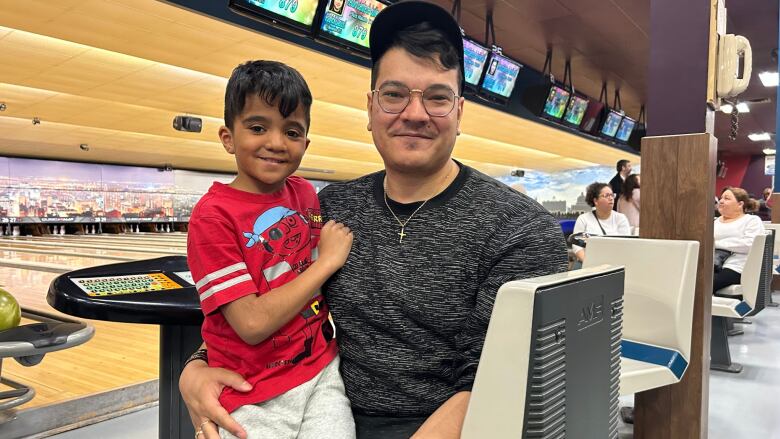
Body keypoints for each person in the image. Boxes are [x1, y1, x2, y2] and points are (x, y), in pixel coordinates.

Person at [178, 2, 569, 439]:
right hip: (325, 410)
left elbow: (496, 377)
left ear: (460, 113)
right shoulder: (330, 207)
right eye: (394, 94)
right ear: (370, 108)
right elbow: (275, 307)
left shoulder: (521, 231)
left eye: (437, 98)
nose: (415, 114)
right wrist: (196, 366)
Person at [186, 60, 355, 439]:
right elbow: (251, 324)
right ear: (228, 137)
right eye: (258, 127)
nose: (276, 143)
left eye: (292, 131)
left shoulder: (305, 194)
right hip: (251, 389)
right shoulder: (212, 216)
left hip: (321, 372)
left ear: (305, 144)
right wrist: (326, 262)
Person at [713, 187, 765, 294]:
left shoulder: (751, 221)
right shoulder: (715, 222)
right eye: (721, 198)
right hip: (713, 263)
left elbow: (750, 245)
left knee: (705, 285)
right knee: (692, 280)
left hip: (736, 266)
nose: (721, 201)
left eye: (727, 198)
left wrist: (716, 244)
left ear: (740, 204)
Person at [571, 182, 631, 262]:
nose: (611, 198)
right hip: (587, 263)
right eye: (606, 196)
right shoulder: (583, 219)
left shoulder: (621, 218)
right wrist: (589, 263)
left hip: (614, 263)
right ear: (595, 201)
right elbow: (577, 247)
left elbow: (626, 245)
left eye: (612, 195)